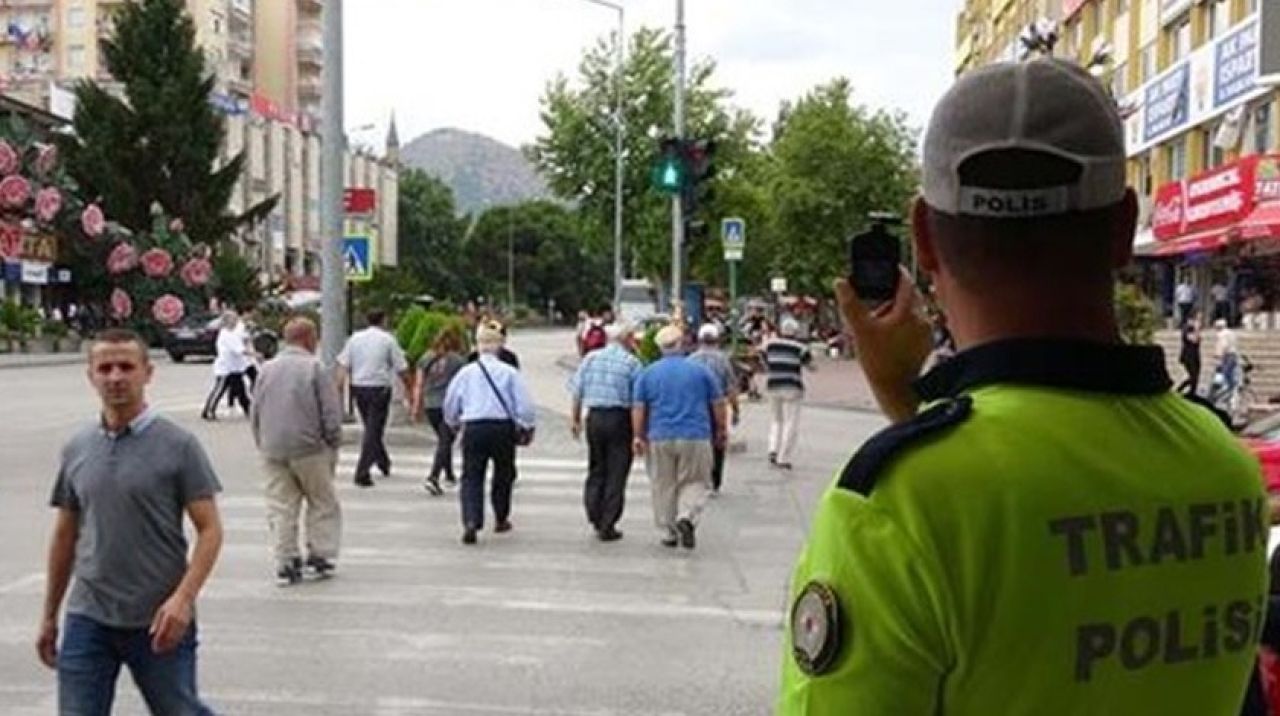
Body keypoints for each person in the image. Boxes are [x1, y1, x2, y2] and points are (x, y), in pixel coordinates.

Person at [779, 59, 1268, 714]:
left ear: (923, 238)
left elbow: (981, 516)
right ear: (1124, 228)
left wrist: (906, 407)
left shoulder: (893, 511)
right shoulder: (1224, 467)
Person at [39, 328, 223, 714]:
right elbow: (65, 535)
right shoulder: (78, 447)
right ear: (91, 375)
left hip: (158, 617)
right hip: (89, 615)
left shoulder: (178, 445)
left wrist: (182, 600)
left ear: (147, 373)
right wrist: (49, 615)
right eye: (105, 368)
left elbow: (210, 530)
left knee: (179, 710)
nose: (116, 377)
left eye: (126, 366)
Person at [250, 318, 344, 586]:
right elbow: (330, 411)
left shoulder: (266, 369)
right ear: (309, 339)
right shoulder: (314, 368)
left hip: (273, 448)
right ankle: (320, 554)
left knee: (281, 506)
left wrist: (262, 441)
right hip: (310, 448)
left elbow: (256, 410)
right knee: (322, 501)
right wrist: (333, 442)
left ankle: (286, 560)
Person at [632, 325, 727, 550]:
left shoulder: (647, 373)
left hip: (660, 435)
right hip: (695, 434)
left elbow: (638, 408)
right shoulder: (700, 371)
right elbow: (717, 403)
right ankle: (686, 517)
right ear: (682, 344)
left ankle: (669, 530)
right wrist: (721, 429)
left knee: (663, 483)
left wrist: (638, 435)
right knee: (695, 481)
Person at [444, 322, 536, 545]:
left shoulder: (466, 373)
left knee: (471, 475)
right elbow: (524, 405)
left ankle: (471, 521)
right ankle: (501, 516)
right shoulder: (509, 372)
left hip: (474, 426)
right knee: (503, 473)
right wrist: (526, 425)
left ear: (477, 346)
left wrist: (453, 422)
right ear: (500, 345)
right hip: (501, 427)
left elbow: (451, 401)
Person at [569, 322, 643, 541]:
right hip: (620, 418)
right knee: (617, 471)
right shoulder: (632, 363)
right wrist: (638, 433)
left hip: (595, 417)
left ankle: (594, 512)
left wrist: (575, 420)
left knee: (597, 467)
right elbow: (637, 402)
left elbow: (576, 391)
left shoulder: (590, 358)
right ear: (628, 339)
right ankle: (608, 522)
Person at [336, 310, 412, 488]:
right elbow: (401, 367)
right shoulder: (388, 340)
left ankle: (383, 461)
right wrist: (409, 386)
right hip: (379, 388)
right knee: (374, 429)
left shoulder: (355, 339)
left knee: (371, 427)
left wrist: (338, 387)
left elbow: (343, 364)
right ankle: (362, 471)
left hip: (358, 387)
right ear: (383, 320)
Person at [413, 325, 468, 495]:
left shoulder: (426, 358)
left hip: (431, 405)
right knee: (445, 441)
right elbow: (463, 386)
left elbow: (419, 384)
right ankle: (433, 476)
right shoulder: (458, 361)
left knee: (444, 439)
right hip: (449, 405)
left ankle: (449, 473)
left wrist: (417, 406)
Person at [687, 323, 740, 493]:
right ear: (717, 340)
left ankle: (699, 476)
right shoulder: (723, 360)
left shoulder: (691, 360)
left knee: (698, 441)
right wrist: (736, 409)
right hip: (717, 405)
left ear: (700, 340)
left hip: (696, 407)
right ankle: (715, 479)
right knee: (718, 440)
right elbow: (731, 387)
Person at [763, 318, 813, 470]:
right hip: (792, 386)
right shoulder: (800, 348)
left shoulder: (770, 344)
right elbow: (809, 365)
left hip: (773, 384)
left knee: (775, 420)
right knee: (791, 422)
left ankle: (772, 449)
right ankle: (783, 457)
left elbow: (763, 357)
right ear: (795, 332)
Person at [201, 311, 252, 421]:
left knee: (240, 390)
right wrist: (255, 354)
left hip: (235, 367)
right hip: (226, 368)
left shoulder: (233, 333)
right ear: (227, 321)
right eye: (233, 319)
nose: (236, 321)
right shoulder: (226, 334)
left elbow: (244, 340)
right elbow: (239, 350)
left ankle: (249, 410)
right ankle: (208, 411)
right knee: (219, 389)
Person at [1212, 317, 1241, 401]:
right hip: (1233, 356)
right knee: (1229, 375)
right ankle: (1231, 390)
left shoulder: (1221, 334)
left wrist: (1217, 355)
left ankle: (1227, 392)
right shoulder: (1231, 332)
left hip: (1227, 356)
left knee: (1224, 375)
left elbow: (1223, 346)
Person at [1177, 313, 1203, 396]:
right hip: (1188, 356)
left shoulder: (1194, 329)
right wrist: (1197, 329)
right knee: (1193, 376)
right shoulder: (1187, 329)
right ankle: (1179, 390)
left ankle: (1192, 392)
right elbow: (1193, 340)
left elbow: (1198, 340)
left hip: (1195, 356)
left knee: (1196, 376)